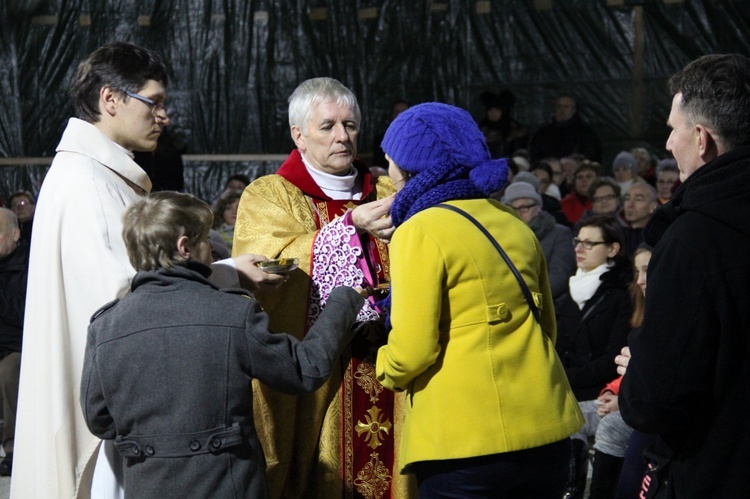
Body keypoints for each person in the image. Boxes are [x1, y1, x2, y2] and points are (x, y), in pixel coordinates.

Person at [11, 41, 285, 499]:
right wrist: (225, 275)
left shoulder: (96, 173)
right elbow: (135, 303)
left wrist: (229, 270)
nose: (164, 116)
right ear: (110, 99)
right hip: (114, 416)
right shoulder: (86, 184)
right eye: (153, 102)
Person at [80, 191, 365, 498]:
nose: (213, 250)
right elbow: (305, 369)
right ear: (185, 247)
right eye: (205, 239)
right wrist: (344, 300)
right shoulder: (232, 312)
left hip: (147, 487)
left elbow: (100, 421)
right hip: (227, 486)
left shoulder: (105, 325)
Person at [376, 102, 583, 497]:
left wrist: (382, 366)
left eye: (390, 161)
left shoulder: (419, 231)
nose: (388, 173)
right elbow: (547, 329)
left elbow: (413, 351)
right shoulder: (512, 223)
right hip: (547, 432)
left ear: (411, 165)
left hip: (465, 445)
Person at [232, 77, 409, 498]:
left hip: (391, 363)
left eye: (350, 125)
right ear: (299, 135)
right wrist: (350, 228)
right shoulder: (271, 195)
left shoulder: (389, 193)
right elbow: (269, 270)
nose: (342, 137)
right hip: (319, 372)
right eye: (327, 126)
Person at [619, 53, 750, 497]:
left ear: (701, 138)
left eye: (674, 129)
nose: (668, 143)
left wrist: (640, 364)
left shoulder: (693, 239)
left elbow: (654, 401)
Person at [555, 215, 633, 499]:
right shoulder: (571, 290)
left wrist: (566, 378)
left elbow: (612, 357)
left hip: (598, 389)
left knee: (568, 420)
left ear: (612, 249)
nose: (580, 248)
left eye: (590, 243)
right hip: (570, 386)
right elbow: (559, 345)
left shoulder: (620, 295)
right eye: (578, 241)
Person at [587, 244, 653, 498]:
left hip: (642, 408)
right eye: (637, 271)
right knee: (567, 416)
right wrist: (610, 393)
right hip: (625, 397)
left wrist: (622, 401)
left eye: (647, 270)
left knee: (613, 427)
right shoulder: (642, 309)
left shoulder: (671, 315)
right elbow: (626, 370)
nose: (640, 280)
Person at [502, 182, 575, 301]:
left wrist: (523, 298)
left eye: (524, 207)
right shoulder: (498, 236)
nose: (518, 213)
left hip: (545, 307)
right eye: (512, 208)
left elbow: (558, 277)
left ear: (537, 208)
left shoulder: (559, 234)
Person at [0, 209, 28, 477]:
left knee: (10, 370)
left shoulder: (31, 264)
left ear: (15, 233)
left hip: (17, 347)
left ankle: (13, 449)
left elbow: (25, 315)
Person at [529, 93, 602, 163]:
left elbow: (592, 156)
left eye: (566, 106)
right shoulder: (543, 134)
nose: (562, 110)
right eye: (559, 106)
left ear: (574, 110)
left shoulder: (585, 133)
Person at [478, 89, 529, 158]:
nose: (493, 113)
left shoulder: (515, 130)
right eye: (490, 110)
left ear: (503, 111)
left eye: (497, 110)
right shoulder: (480, 130)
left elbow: (520, 154)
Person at [371, 99, 410, 168]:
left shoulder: (419, 138)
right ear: (392, 115)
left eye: (404, 112)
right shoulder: (380, 140)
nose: (400, 115)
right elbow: (378, 165)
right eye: (397, 112)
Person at [621, 182, 657, 257]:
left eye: (638, 199)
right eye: (627, 199)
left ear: (653, 206)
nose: (630, 204)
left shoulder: (658, 237)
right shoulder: (618, 235)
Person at [561, 160, 599, 225]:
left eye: (588, 177)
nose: (584, 180)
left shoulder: (602, 202)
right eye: (580, 177)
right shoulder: (565, 203)